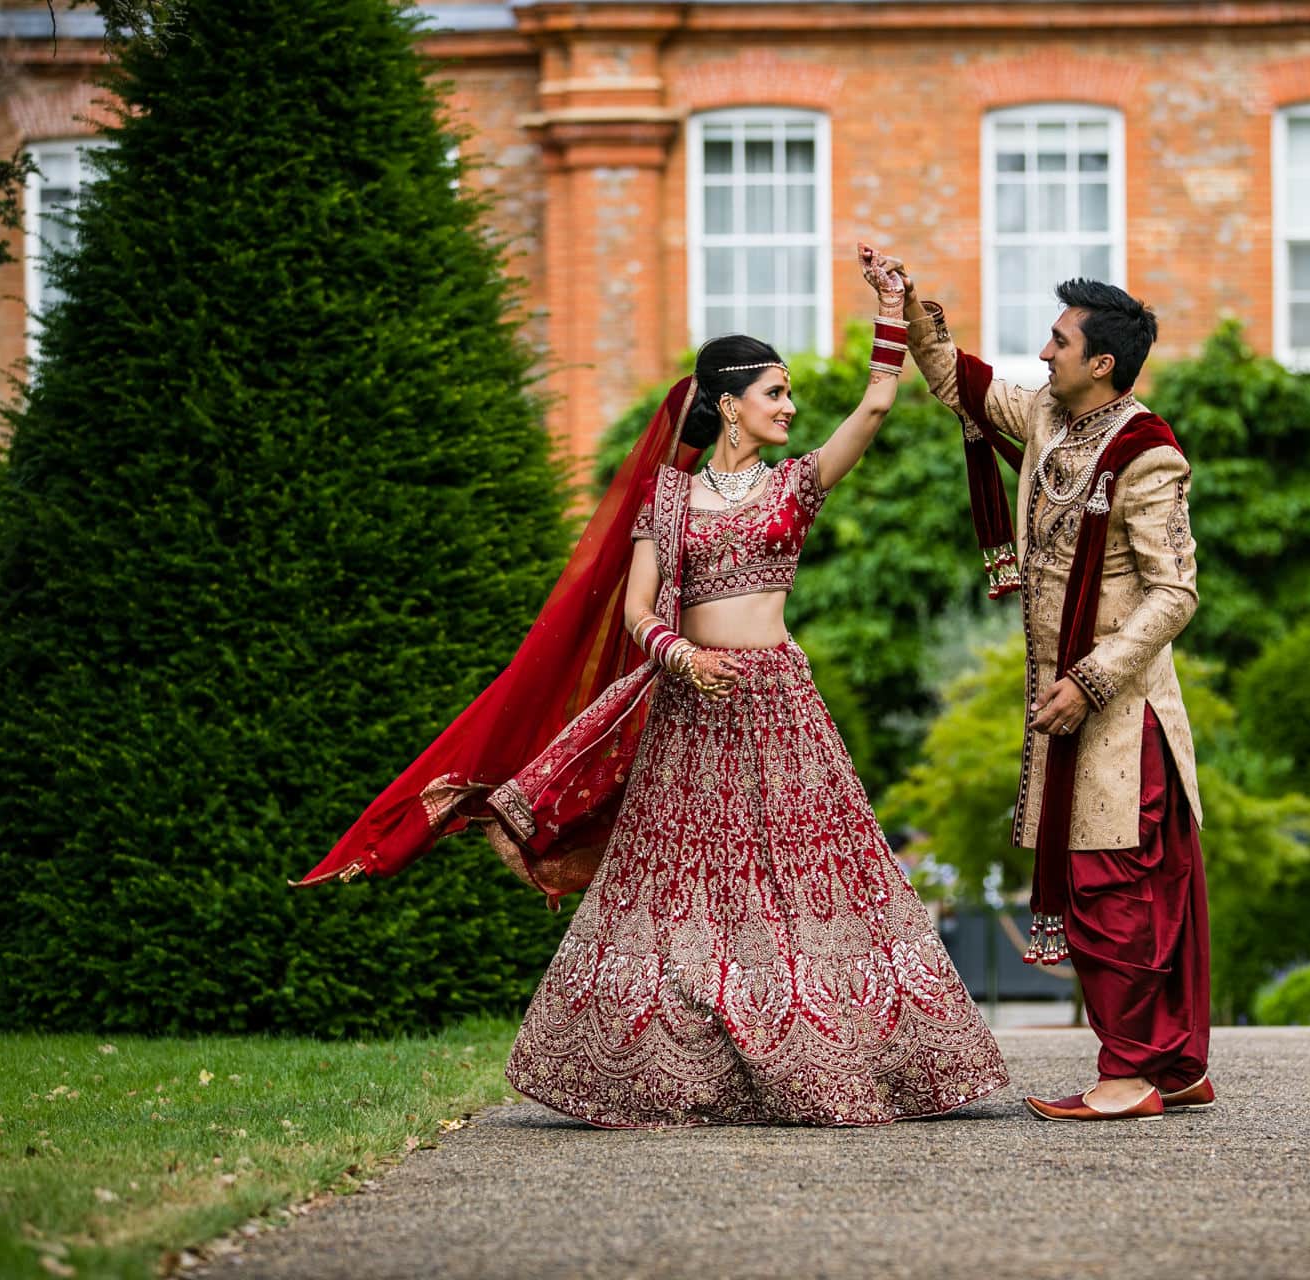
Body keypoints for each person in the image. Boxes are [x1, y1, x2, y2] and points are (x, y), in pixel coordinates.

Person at [294, 245, 1006, 1128]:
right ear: (728, 405)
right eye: (775, 392)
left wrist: (891, 311)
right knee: (677, 889)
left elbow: (877, 402)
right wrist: (679, 658)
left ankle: (844, 1054)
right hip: (689, 710)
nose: (790, 406)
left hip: (781, 706)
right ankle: (669, 1069)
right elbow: (637, 612)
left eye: (790, 392)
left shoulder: (796, 485)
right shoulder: (665, 503)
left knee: (815, 881)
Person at [880, 253, 1211, 1123]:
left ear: (1102, 363)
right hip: (1061, 706)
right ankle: (1167, 1066)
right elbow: (959, 381)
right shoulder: (1049, 422)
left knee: (1115, 888)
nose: (1044, 351)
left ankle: (1130, 1075)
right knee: (1100, 879)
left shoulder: (1148, 454)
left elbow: (1176, 592)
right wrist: (905, 302)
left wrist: (1092, 679)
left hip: (1121, 708)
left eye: (1060, 341)